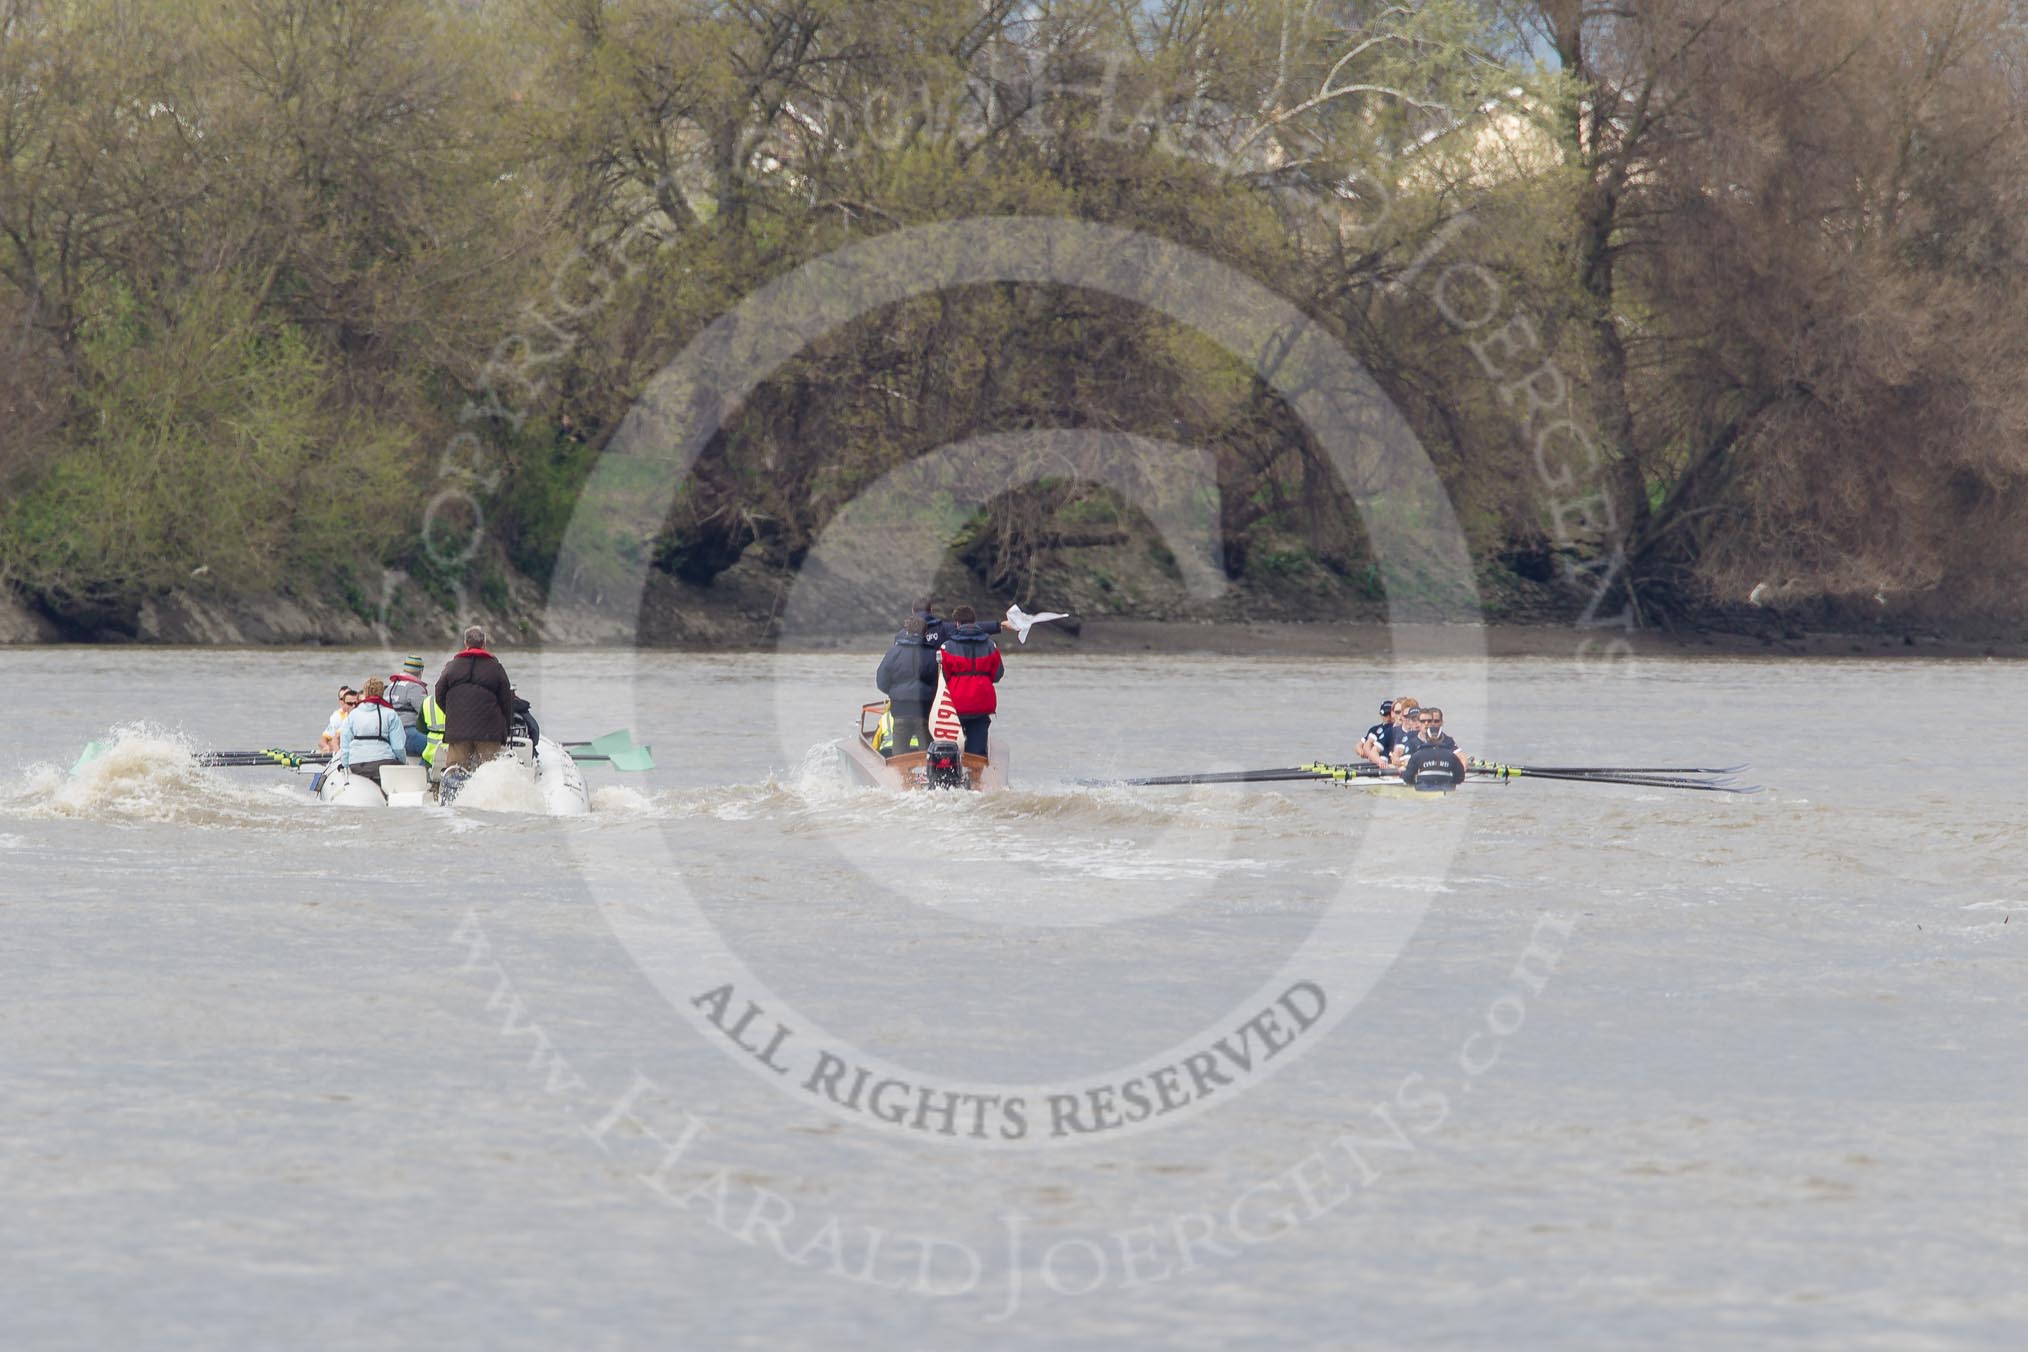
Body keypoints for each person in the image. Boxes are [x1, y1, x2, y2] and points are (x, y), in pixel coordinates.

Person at [434, 625, 515, 772]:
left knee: (455, 771)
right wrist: (505, 729)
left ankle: (453, 795)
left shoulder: (452, 667)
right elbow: (506, 701)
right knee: (490, 773)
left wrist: (453, 714)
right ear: (484, 644)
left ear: (466, 644)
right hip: (489, 731)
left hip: (458, 731)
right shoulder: (495, 668)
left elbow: (439, 693)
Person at [937, 605, 1004, 757]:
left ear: (957, 623)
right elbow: (998, 673)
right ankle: (977, 773)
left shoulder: (947, 647)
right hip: (982, 702)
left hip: (956, 704)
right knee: (977, 752)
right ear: (975, 621)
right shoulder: (990, 645)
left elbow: (943, 677)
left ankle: (951, 775)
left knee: (951, 749)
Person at [875, 615, 940, 755]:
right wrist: (929, 695)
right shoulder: (932, 654)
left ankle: (899, 776)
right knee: (926, 756)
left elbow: (881, 681)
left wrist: (895, 693)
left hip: (900, 710)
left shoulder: (893, 653)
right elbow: (939, 684)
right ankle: (926, 775)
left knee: (898, 756)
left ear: (907, 631)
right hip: (924, 711)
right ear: (926, 633)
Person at [338, 677, 407, 784]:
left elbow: (345, 744)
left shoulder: (353, 715)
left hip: (357, 764)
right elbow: (398, 747)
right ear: (382, 693)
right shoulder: (390, 714)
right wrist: (402, 763)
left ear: (365, 693)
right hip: (384, 763)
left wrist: (345, 764)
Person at [1396, 706, 1465, 788]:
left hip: (1427, 783)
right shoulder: (1411, 741)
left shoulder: (1447, 739)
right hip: (1431, 781)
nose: (1426, 724)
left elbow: (1462, 759)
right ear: (1418, 723)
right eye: (1423, 721)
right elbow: (1407, 763)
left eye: (1429, 721)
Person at [909, 596, 1004, 649]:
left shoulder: (903, 634)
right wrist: (999, 625)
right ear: (931, 610)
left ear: (913, 611)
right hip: (938, 676)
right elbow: (969, 627)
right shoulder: (943, 628)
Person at [386, 655, 430, 756]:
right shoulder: (415, 688)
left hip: (389, 734)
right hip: (407, 733)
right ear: (420, 672)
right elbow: (426, 713)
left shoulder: (389, 687)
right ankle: (425, 770)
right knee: (436, 748)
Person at [1356, 700, 1395, 769]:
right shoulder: (1375, 730)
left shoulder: (1395, 728)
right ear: (1381, 714)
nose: (1388, 717)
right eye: (1385, 714)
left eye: (1390, 714)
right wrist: (1362, 752)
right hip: (1378, 762)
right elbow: (1361, 745)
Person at [320, 687, 359, 755]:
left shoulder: (355, 715)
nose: (353, 705)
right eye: (342, 699)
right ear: (340, 701)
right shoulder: (337, 716)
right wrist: (327, 747)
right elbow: (324, 740)